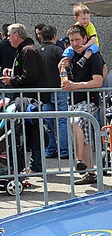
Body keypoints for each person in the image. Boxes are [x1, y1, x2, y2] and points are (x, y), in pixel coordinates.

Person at [60, 24, 105, 185]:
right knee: (84, 136)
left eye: (77, 39)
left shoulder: (94, 56)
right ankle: (90, 172)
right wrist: (62, 67)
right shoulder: (70, 56)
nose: (75, 43)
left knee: (76, 122)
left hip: (89, 100)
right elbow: (62, 76)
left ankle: (80, 161)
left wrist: (75, 86)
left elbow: (98, 81)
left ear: (85, 39)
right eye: (71, 40)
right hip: (74, 100)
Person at [1, 23, 47, 174]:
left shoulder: (28, 50)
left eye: (9, 35)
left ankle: (36, 166)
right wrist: (12, 72)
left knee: (34, 132)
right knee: (25, 132)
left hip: (30, 100)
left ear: (16, 35)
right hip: (25, 99)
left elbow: (31, 76)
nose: (7, 38)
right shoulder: (23, 49)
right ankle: (25, 166)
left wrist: (11, 81)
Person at [39, 25, 69, 159]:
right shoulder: (58, 50)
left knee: (47, 122)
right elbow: (64, 70)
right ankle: (64, 151)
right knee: (62, 120)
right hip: (59, 89)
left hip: (43, 92)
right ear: (54, 36)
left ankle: (50, 149)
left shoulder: (37, 51)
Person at [61, 3, 100, 69]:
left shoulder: (90, 26)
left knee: (90, 50)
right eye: (84, 19)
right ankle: (66, 59)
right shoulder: (76, 26)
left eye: (88, 18)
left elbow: (93, 38)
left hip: (92, 43)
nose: (86, 21)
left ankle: (84, 59)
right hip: (83, 44)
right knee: (69, 49)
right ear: (76, 18)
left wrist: (85, 47)